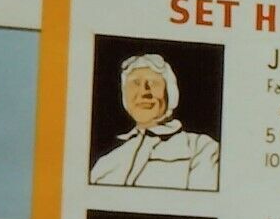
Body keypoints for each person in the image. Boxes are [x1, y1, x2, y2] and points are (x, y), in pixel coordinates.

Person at [89, 52, 220, 189]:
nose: (144, 92)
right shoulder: (105, 163)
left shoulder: (201, 148)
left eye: (153, 83)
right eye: (135, 83)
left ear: (170, 91)